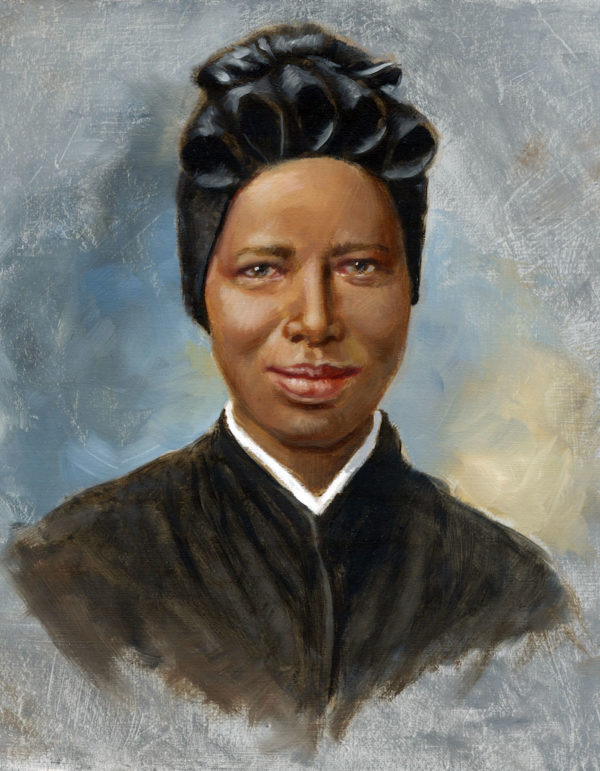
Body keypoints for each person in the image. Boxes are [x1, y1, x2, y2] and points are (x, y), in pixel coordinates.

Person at [5, 23, 573, 745]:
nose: (316, 319)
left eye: (360, 266)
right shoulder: (68, 580)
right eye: (262, 269)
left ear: (410, 286)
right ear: (201, 293)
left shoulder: (513, 600)